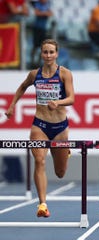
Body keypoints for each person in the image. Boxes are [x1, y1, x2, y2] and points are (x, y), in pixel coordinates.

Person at [5, 39, 75, 218]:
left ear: (57, 54)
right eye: (45, 52)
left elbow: (72, 98)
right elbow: (22, 87)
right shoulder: (34, 74)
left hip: (60, 127)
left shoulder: (64, 74)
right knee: (39, 161)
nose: (48, 55)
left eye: (52, 52)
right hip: (40, 125)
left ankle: (64, 153)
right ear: (41, 54)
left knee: (60, 173)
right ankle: (42, 204)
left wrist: (57, 102)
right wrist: (12, 105)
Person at [30, 0, 53, 67]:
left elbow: (51, 13)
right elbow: (37, 13)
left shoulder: (47, 4)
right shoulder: (37, 4)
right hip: (37, 28)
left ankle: (39, 62)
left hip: (43, 29)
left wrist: (43, 13)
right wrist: (45, 13)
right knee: (35, 45)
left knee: (42, 46)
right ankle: (32, 61)